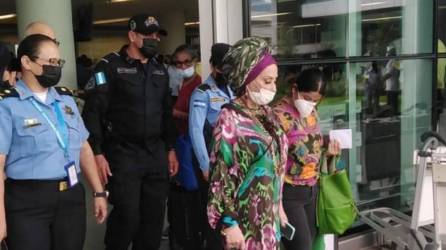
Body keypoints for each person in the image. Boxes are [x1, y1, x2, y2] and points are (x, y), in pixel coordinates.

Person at [0, 34, 107, 250]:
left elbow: (83, 148)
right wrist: (0, 217)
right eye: (49, 62)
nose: (55, 67)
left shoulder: (65, 100)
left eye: (58, 62)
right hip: (27, 201)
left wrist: (98, 191)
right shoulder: (7, 105)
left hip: (70, 195)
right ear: (26, 62)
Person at [82, 14, 179, 250]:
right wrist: (97, 153)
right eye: (148, 36)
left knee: (154, 218)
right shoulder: (109, 67)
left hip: (155, 153)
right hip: (123, 153)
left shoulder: (160, 70)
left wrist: (170, 148)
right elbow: (93, 113)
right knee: (128, 217)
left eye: (156, 35)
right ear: (132, 36)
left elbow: (166, 113)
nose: (154, 40)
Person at [207, 37, 288, 250]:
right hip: (244, 222)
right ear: (246, 78)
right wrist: (229, 223)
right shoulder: (229, 118)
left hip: (268, 220)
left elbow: (276, 163)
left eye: (275, 80)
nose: (273, 87)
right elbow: (221, 175)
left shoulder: (267, 114)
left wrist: (278, 206)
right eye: (267, 81)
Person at [273, 68, 341, 250]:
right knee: (301, 246)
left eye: (315, 101)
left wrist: (327, 151)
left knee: (311, 244)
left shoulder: (311, 114)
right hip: (289, 193)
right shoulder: (278, 116)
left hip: (312, 190)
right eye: (307, 98)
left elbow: (312, 148)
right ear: (295, 89)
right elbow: (273, 161)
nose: (310, 105)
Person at [188, 43, 232, 250]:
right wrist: (205, 166)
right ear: (213, 66)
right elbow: (195, 131)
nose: (226, 72)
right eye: (222, 68)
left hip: (233, 163)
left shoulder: (234, 89)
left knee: (231, 214)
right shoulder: (202, 93)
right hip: (213, 164)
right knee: (214, 218)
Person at [168, 44, 202, 250]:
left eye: (186, 62)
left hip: (189, 143)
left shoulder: (198, 87)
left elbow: (197, 119)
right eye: (178, 63)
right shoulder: (179, 83)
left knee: (191, 192)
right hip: (178, 142)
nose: (182, 66)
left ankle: (193, 236)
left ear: (195, 61)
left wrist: (175, 113)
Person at [383, 46, 400, 116]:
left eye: (388, 52)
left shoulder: (393, 61)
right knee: (392, 103)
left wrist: (381, 79)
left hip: (392, 87)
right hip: (392, 86)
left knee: (392, 104)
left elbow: (389, 74)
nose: (387, 54)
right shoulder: (393, 61)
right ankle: (393, 115)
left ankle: (393, 116)